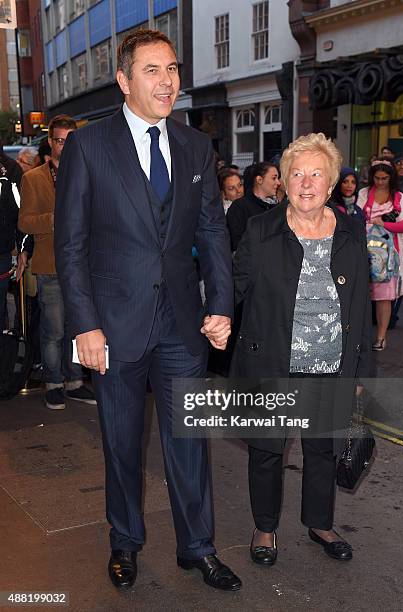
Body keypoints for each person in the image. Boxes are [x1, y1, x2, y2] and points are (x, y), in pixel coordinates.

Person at [54, 29, 241, 592]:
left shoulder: (193, 146)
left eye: (173, 69)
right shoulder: (89, 146)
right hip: (114, 323)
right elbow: (72, 244)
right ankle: (125, 542)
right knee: (121, 441)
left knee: (189, 441)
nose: (168, 81)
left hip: (183, 324)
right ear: (124, 80)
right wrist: (84, 323)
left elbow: (211, 232)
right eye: (153, 70)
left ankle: (198, 547)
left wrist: (222, 304)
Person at [230, 133, 371, 565]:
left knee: (322, 451)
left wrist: (361, 371)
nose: (306, 183)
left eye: (316, 174)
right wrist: (209, 317)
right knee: (267, 450)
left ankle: (320, 523)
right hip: (273, 362)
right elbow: (232, 288)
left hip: (330, 365)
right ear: (283, 184)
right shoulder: (260, 230)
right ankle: (265, 526)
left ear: (331, 184)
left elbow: (362, 303)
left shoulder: (350, 229)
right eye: (296, 174)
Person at [18, 115, 96, 410]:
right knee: (54, 330)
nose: (66, 146)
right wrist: (55, 220)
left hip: (83, 264)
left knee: (81, 327)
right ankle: (53, 382)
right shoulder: (33, 178)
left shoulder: (86, 171)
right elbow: (24, 222)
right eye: (60, 140)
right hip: (49, 265)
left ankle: (75, 381)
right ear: (50, 142)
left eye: (71, 140)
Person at [357, 159, 403, 350]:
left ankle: (381, 336)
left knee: (384, 297)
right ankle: (360, 337)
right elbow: (356, 219)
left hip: (389, 255)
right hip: (364, 251)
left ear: (391, 177)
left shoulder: (398, 196)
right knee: (361, 295)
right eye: (377, 178)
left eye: (384, 178)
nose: (380, 182)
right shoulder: (363, 194)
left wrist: (383, 223)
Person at [226, 162, 281, 251]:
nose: (278, 182)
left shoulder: (279, 208)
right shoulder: (239, 208)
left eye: (278, 178)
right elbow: (236, 243)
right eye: (274, 178)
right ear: (259, 180)